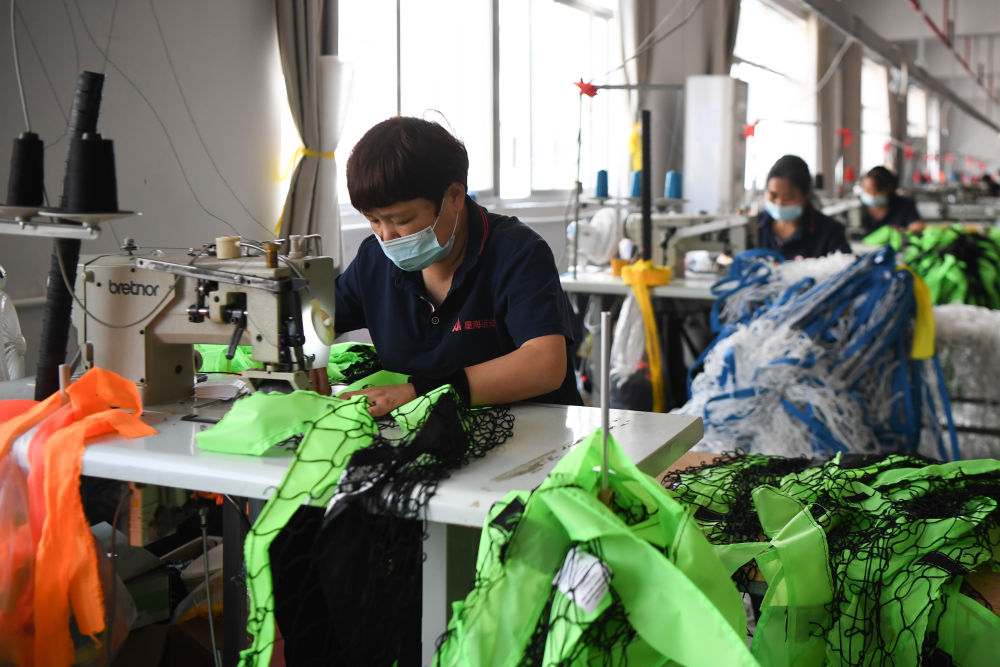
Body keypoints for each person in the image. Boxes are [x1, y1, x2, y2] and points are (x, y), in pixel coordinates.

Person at [335, 116, 582, 416]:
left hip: (534, 429)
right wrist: (311, 354)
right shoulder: (373, 261)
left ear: (454, 196)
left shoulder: (517, 253)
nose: (386, 236)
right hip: (428, 431)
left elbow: (544, 365)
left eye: (401, 220)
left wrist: (420, 392)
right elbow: (317, 316)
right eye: (374, 220)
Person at [757, 155, 850, 260]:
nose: (779, 203)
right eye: (773, 195)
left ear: (806, 194)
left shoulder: (829, 231)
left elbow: (846, 265)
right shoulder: (754, 226)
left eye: (788, 197)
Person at [860, 166, 924, 234]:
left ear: (888, 189)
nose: (870, 195)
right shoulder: (859, 208)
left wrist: (900, 232)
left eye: (875, 191)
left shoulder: (904, 205)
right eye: (866, 190)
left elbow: (917, 226)